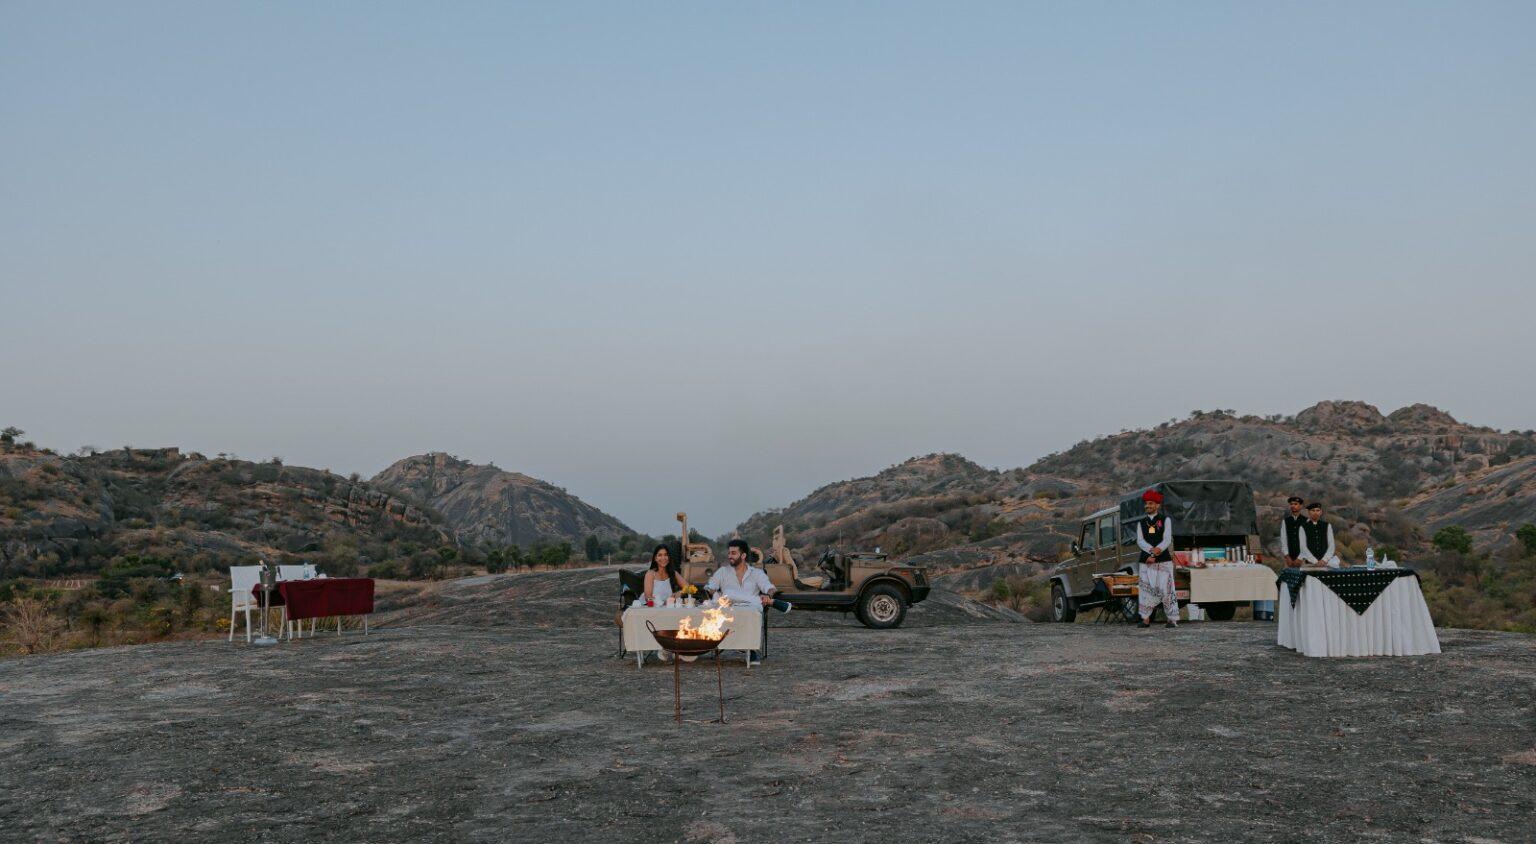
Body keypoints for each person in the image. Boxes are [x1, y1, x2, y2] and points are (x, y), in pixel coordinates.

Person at [705, 539, 791, 662]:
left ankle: (751, 648)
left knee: (746, 607)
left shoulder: (756, 573)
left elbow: (770, 588)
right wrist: (716, 594)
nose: (730, 556)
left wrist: (769, 596)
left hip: (750, 609)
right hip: (729, 608)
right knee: (729, 596)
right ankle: (768, 605)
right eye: (729, 553)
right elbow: (709, 587)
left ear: (743, 555)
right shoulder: (722, 572)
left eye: (733, 553)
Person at [1136, 489, 1178, 629]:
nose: (1147, 506)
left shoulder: (1166, 520)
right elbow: (1140, 541)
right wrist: (1150, 552)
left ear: (1157, 505)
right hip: (1146, 561)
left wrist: (1154, 554)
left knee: (1167, 589)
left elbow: (1167, 540)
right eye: (1146, 504)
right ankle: (1145, 619)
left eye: (1150, 503)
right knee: (1145, 590)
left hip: (1163, 560)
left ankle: (1171, 619)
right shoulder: (1140, 523)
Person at [1296, 502, 1342, 567]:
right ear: (1309, 512)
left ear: (1321, 512)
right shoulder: (1303, 527)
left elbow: (1331, 545)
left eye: (1317, 510)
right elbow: (1303, 547)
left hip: (1326, 563)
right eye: (1313, 510)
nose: (1315, 513)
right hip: (1309, 564)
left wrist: (1324, 560)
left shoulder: (1327, 526)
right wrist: (1315, 561)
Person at [1278, 496, 1307, 568]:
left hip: (1303, 559)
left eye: (1296, 504)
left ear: (1301, 506)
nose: (1293, 506)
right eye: (1291, 504)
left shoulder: (1306, 521)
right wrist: (1287, 556)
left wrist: (1300, 558)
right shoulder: (1286, 521)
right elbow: (1283, 539)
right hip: (1289, 559)